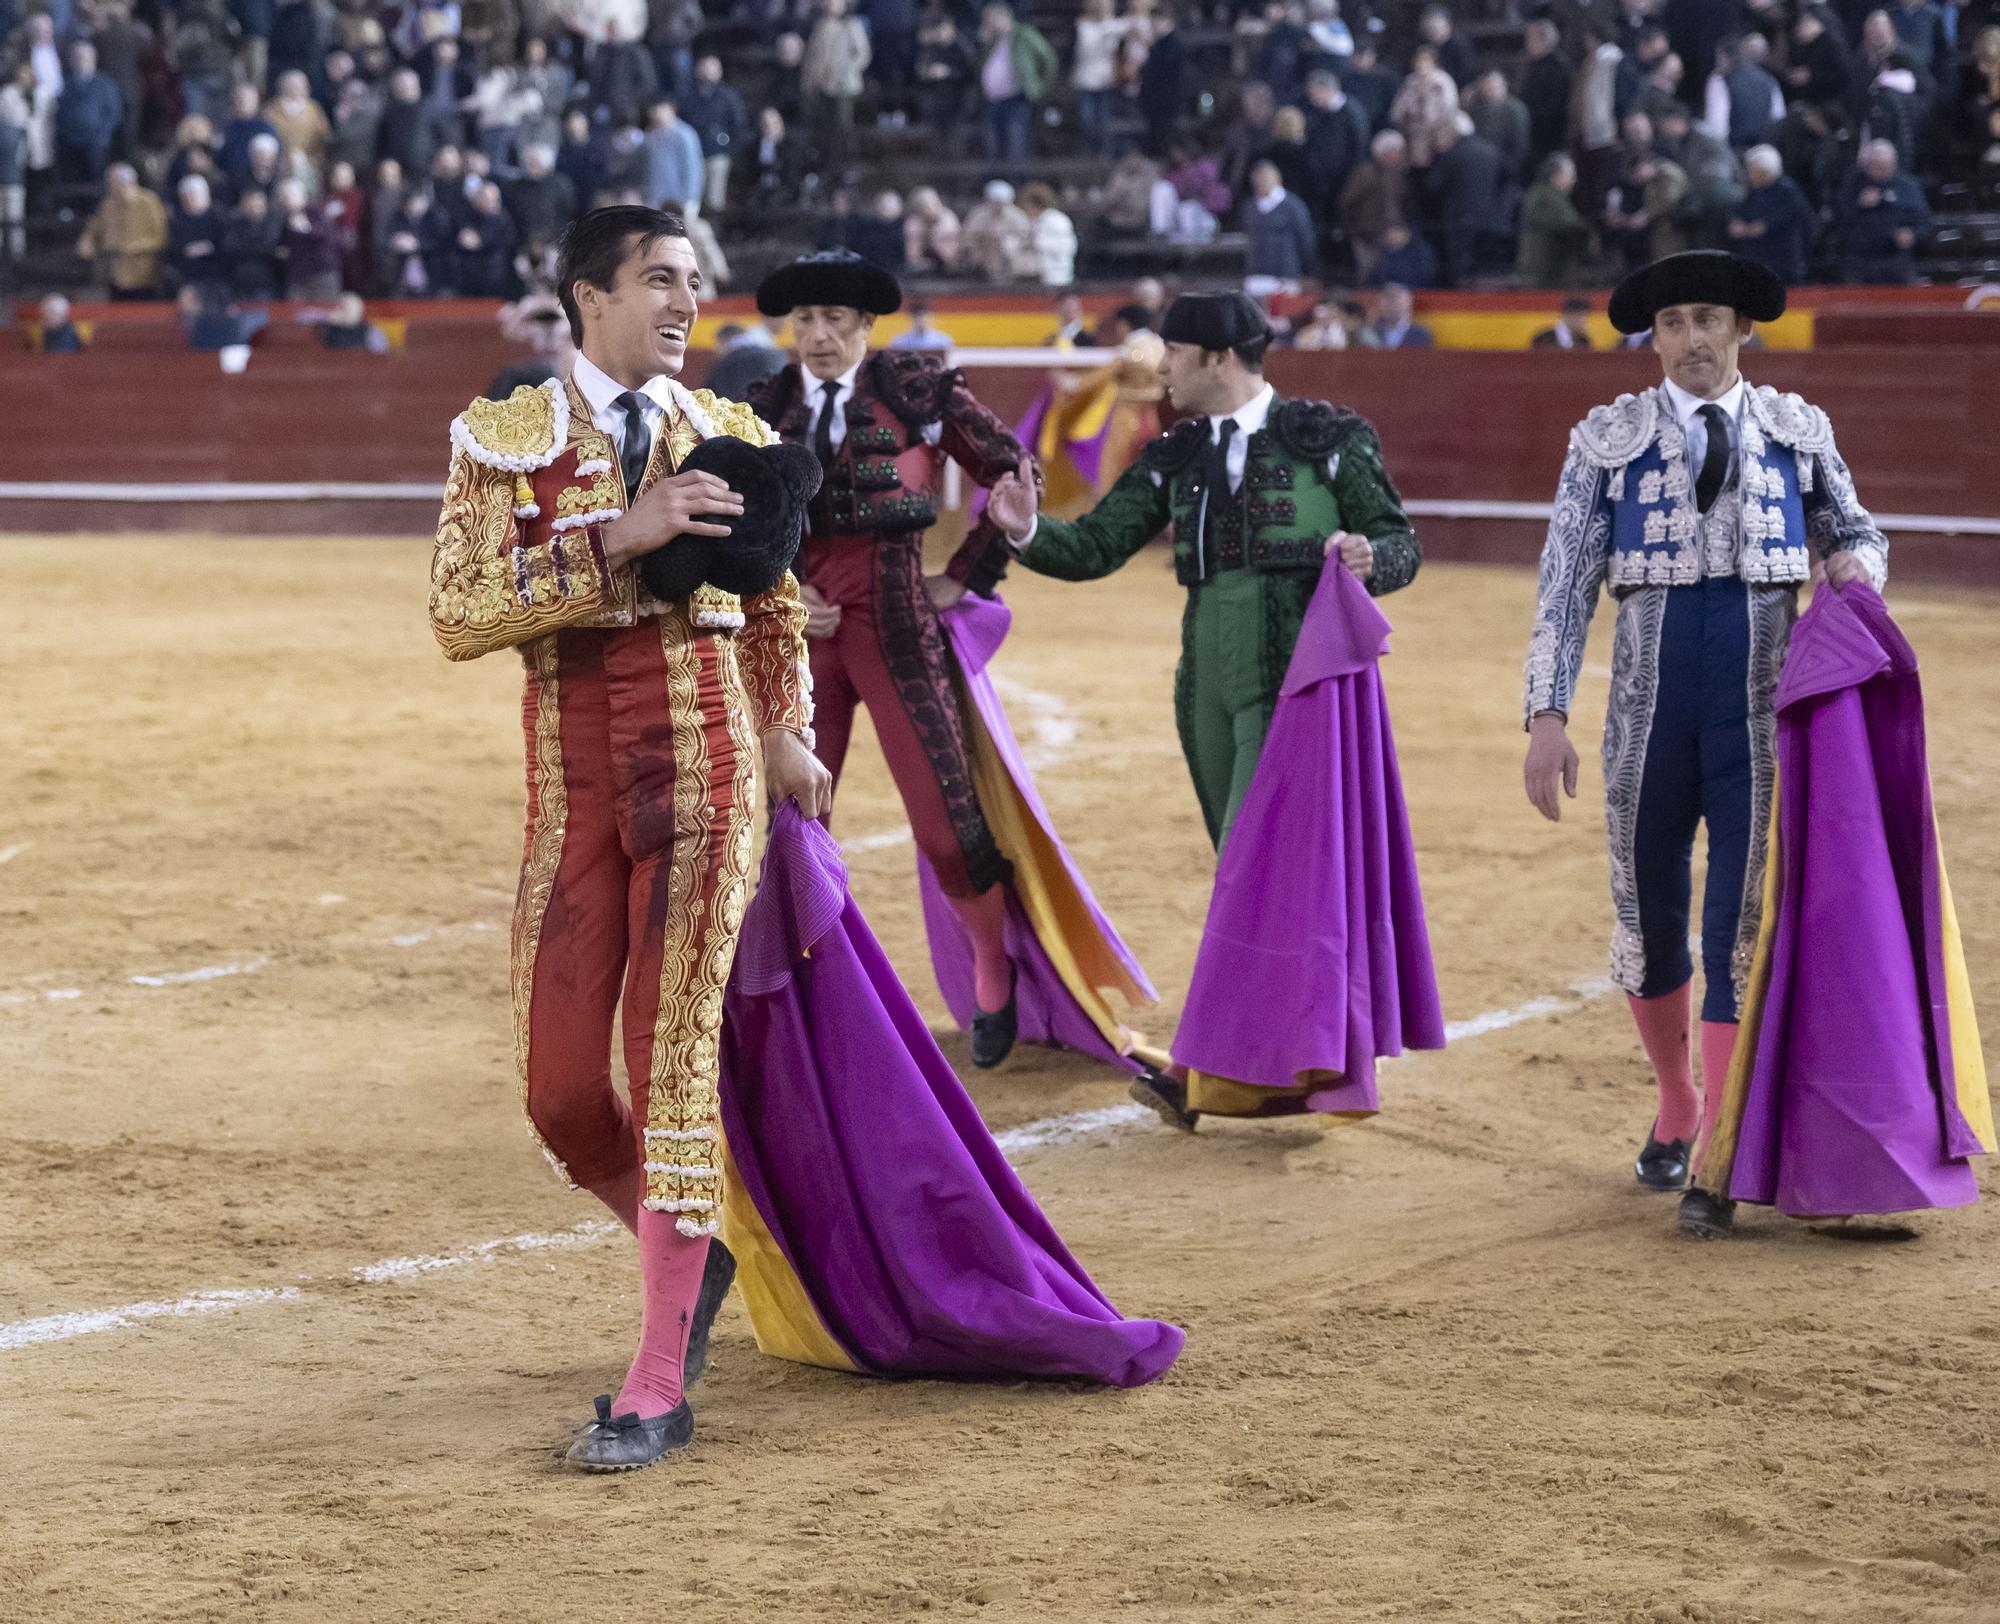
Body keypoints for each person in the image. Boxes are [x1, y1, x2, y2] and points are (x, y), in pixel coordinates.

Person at [428, 205, 827, 1472]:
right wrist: (622, 536)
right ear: (584, 297)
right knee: (557, 1091)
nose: (684, 302)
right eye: (658, 279)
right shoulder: (507, 441)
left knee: (669, 1061)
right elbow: (458, 612)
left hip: (706, 771)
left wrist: (784, 729)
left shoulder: (731, 434)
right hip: (573, 784)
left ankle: (656, 1376)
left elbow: (768, 604)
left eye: (693, 283)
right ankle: (686, 1254)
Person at [987, 291, 1420, 1129]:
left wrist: (1373, 555)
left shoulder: (1329, 440)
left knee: (1258, 879)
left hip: (1297, 686)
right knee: (1241, 866)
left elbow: (1400, 540)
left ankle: (1219, 1068)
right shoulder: (1175, 452)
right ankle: (1286, 1063)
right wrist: (1029, 531)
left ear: (1219, 359)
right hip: (1206, 688)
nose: (1161, 369)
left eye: (1174, 354)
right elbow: (1098, 546)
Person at [1520, 250, 1888, 1201]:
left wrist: (1853, 568)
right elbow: (1564, 587)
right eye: (1675, 320)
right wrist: (1547, 713)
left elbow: (1857, 530)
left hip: (1762, 717)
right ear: (1655, 335)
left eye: (1708, 319)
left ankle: (1718, 1148)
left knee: (1738, 922)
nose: (1691, 337)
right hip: (1646, 716)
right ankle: (1680, 1102)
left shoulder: (1795, 431)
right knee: (1647, 917)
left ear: (1741, 330)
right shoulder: (1607, 438)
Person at [746, 250, 1151, 1073]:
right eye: (806, 321)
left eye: (835, 321)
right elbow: (740, 519)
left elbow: (1014, 473)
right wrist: (782, 591)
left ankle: (991, 971)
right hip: (802, 632)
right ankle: (807, 990)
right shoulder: (762, 405)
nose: (818, 336)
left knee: (944, 820)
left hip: (898, 621)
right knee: (791, 819)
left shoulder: (919, 388)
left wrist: (965, 573)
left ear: (865, 327)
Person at [1836, 137, 1931, 283]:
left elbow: (1924, 220)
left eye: (1888, 166)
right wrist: (1859, 204)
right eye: (1878, 167)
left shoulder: (1907, 186)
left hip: (1896, 257)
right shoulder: (1852, 184)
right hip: (1860, 258)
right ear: (1867, 165)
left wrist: (1912, 233)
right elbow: (1840, 218)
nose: (1884, 171)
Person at [75, 162, 166, 298]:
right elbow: (93, 228)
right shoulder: (107, 204)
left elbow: (161, 237)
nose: (108, 185)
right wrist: (86, 241)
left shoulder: (149, 202)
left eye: (111, 182)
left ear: (124, 183)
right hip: (113, 273)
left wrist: (132, 246)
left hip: (142, 274)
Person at [1729, 145, 1812, 284]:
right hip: (1755, 259)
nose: (1749, 174)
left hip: (1782, 261)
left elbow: (1777, 221)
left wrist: (1755, 228)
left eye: (1752, 170)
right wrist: (1736, 223)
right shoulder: (1753, 191)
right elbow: (1739, 212)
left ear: (1765, 171)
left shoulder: (1787, 191)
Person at [1517, 152, 1594, 288]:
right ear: (1556, 176)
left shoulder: (1551, 197)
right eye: (1571, 176)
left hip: (1545, 272)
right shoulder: (1547, 200)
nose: (1574, 180)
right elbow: (1572, 229)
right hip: (1544, 275)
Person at [1243, 156, 1317, 293]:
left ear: (1277, 179)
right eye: (1258, 178)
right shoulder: (1250, 207)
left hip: (1285, 275)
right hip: (1257, 276)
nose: (1261, 182)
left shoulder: (1293, 206)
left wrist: (1308, 272)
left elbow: (1306, 240)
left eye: (1265, 178)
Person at [1369, 282, 1432, 348]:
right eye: (1386, 298)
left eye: (1396, 298)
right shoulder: (1370, 331)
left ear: (1409, 301)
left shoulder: (1421, 335)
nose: (1391, 303)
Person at [887, 295, 953, 351]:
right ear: (911, 318)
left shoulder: (943, 341)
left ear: (931, 317)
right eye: (917, 317)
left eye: (924, 316)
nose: (921, 320)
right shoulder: (899, 342)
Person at [1532, 294, 1596, 349]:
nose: (1585, 323)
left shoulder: (1584, 341)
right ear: (1568, 316)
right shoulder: (1543, 339)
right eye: (1581, 318)